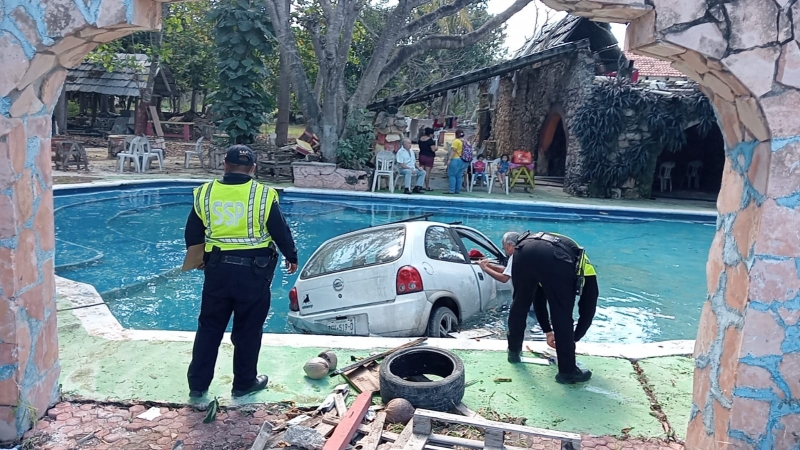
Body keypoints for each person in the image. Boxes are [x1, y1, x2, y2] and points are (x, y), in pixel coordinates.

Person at [184, 145, 298, 399]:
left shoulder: (205, 193)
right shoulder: (263, 195)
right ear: (253, 168)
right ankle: (243, 383)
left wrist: (198, 259)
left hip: (217, 270)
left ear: (225, 164)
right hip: (254, 273)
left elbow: (192, 232)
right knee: (248, 330)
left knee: (209, 327)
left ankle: (198, 384)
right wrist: (291, 256)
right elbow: (279, 230)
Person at [508, 231, 598, 384]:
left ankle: (514, 353)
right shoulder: (585, 271)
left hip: (524, 248)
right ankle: (568, 372)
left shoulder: (577, 267)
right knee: (561, 313)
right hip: (556, 255)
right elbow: (587, 309)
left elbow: (538, 298)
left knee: (519, 304)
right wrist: (573, 338)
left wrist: (548, 331)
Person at [446, 129, 471, 194]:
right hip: (465, 161)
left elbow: (453, 151)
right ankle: (457, 190)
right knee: (459, 176)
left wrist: (449, 159)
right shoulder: (466, 141)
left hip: (456, 160)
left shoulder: (456, 141)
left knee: (452, 175)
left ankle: (451, 190)